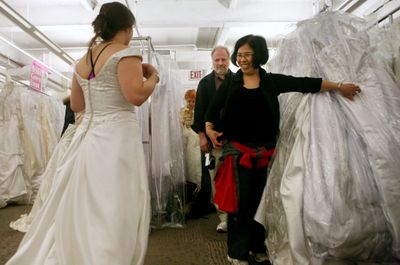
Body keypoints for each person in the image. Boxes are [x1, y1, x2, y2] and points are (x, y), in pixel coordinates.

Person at [6, 2, 159, 265]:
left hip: (89, 136)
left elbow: (77, 105)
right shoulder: (126, 53)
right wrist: (153, 78)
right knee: (116, 200)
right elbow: (135, 96)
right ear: (127, 27)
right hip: (117, 137)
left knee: (88, 201)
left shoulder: (83, 60)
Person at [205, 34, 361, 265]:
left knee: (262, 203)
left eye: (247, 54)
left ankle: (257, 247)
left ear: (258, 55)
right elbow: (212, 110)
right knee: (241, 205)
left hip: (266, 154)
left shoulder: (270, 81)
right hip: (238, 154)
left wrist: (338, 87)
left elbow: (305, 83)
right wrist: (209, 130)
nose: (242, 59)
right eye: (239, 55)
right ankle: (236, 252)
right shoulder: (232, 82)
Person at [191, 46, 234, 232]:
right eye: (217, 60)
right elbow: (199, 113)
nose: (220, 63)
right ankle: (223, 216)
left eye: (223, 59)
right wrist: (202, 136)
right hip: (211, 142)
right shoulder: (205, 83)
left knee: (236, 179)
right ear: (212, 61)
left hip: (235, 140)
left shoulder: (238, 80)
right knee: (215, 178)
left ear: (229, 59)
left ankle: (237, 216)